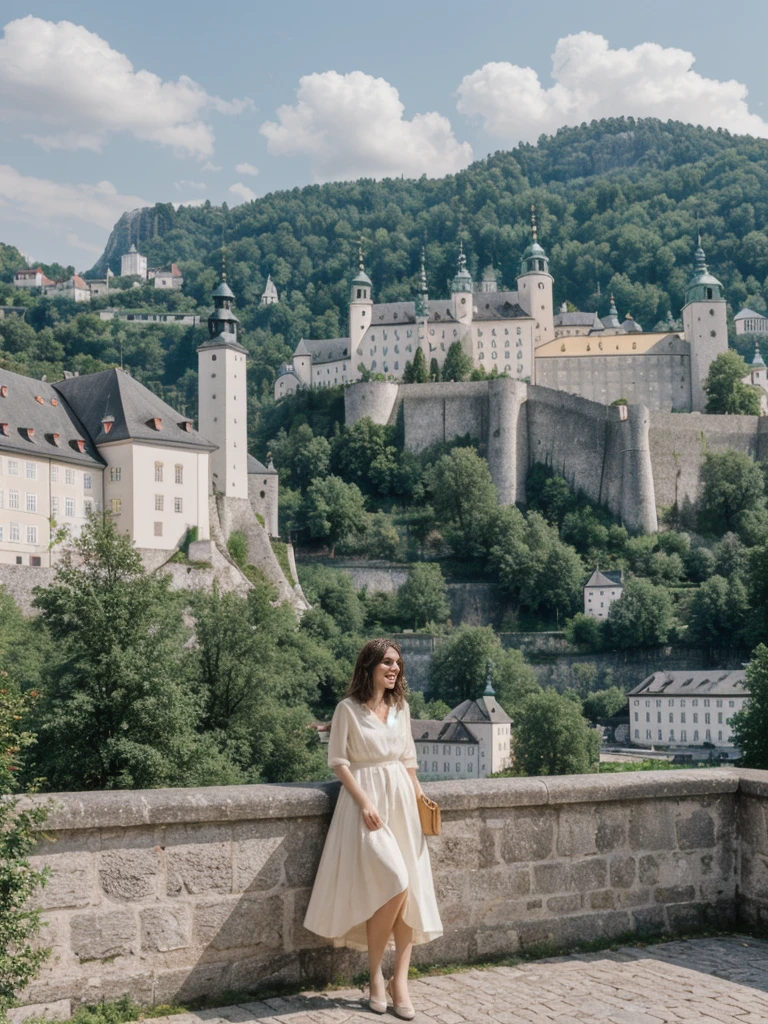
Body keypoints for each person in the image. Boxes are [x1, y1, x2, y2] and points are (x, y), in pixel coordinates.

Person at [303, 638, 443, 1019]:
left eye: (397, 663)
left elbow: (408, 760)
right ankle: (375, 977)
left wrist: (420, 799)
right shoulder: (347, 709)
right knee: (395, 880)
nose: (394, 669)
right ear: (369, 667)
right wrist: (365, 801)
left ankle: (399, 981)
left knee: (407, 891)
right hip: (367, 805)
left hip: (402, 803)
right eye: (386, 662)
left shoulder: (400, 708)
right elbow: (338, 761)